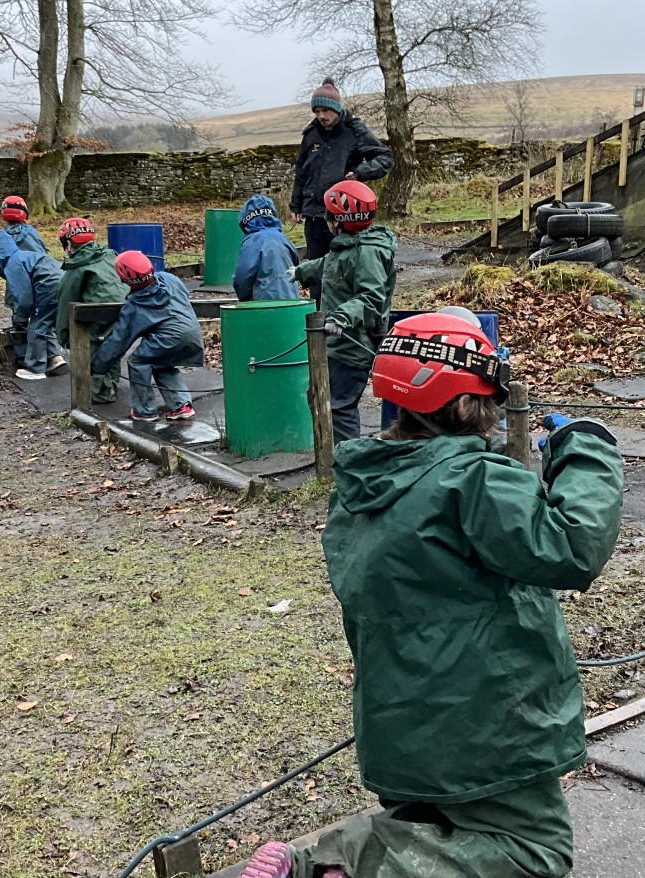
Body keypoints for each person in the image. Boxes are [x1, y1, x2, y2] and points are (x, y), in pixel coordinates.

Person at [243, 312, 625, 878]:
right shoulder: (474, 481)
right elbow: (571, 547)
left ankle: (328, 863)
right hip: (487, 722)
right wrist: (586, 451)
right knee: (533, 849)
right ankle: (343, 864)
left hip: (399, 719)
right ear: (475, 400)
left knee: (429, 823)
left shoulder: (362, 484)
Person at [292, 180, 395, 442]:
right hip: (336, 342)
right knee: (319, 395)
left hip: (353, 345)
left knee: (339, 406)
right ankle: (331, 456)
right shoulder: (348, 246)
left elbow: (371, 297)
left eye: (328, 215)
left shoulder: (367, 253)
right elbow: (329, 265)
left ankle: (348, 461)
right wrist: (301, 272)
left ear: (340, 220)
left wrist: (342, 316)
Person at [290, 77, 393, 307]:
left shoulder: (354, 131)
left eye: (325, 110)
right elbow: (301, 170)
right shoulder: (311, 135)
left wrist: (359, 173)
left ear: (337, 109)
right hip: (314, 214)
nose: (321, 116)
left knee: (344, 268)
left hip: (344, 216)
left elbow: (385, 158)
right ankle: (318, 321)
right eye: (317, 111)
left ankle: (346, 315)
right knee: (316, 269)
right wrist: (296, 204)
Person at [95, 251, 204, 422]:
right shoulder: (169, 279)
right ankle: (181, 405)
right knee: (161, 363)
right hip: (193, 332)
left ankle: (145, 411)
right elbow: (184, 294)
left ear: (124, 279)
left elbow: (119, 341)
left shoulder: (134, 305)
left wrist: (97, 365)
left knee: (138, 362)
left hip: (169, 336)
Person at [55, 217, 128, 404]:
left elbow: (65, 304)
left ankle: (99, 394)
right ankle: (110, 386)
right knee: (112, 350)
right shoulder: (110, 255)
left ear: (69, 243)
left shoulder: (76, 269)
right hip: (125, 312)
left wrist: (63, 336)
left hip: (96, 318)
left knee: (93, 353)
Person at [0, 196, 46, 363]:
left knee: (18, 316)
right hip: (38, 281)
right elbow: (43, 256)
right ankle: (45, 355)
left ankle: (21, 354)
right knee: (42, 318)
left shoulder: (0, 237)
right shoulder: (32, 234)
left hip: (15, 284)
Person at [9, 247, 69, 381]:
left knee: (38, 325)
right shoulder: (31, 248)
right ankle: (55, 357)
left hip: (47, 286)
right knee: (48, 321)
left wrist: (20, 318)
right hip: (62, 280)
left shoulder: (14, 261)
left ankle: (35, 368)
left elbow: (24, 297)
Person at [232, 194, 300, 302]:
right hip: (292, 301)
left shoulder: (252, 243)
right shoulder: (284, 239)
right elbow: (296, 265)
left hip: (264, 305)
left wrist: (245, 299)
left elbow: (242, 277)